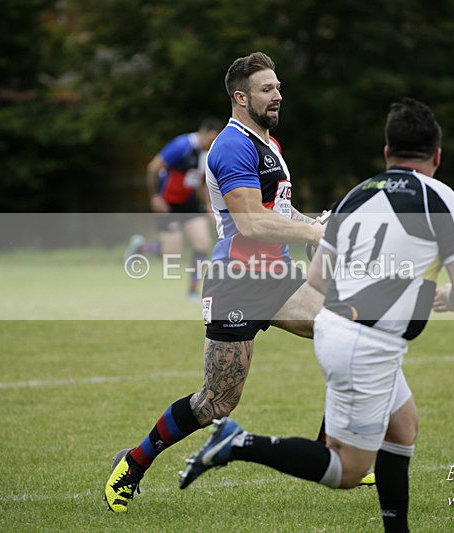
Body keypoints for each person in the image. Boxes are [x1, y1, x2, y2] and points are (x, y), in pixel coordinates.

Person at [178, 97, 454, 533]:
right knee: (346, 470)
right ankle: (237, 442)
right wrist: (444, 297)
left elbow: (319, 277)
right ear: (436, 155)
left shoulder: (359, 195)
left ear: (386, 155)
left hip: (342, 327)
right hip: (365, 341)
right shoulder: (443, 198)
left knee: (403, 426)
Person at [106, 51, 329, 513]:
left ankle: (334, 452)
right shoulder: (231, 146)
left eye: (279, 87)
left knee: (345, 330)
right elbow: (249, 222)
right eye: (268, 89)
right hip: (237, 285)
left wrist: (312, 223)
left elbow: (277, 213)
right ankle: (133, 461)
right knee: (216, 401)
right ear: (241, 97)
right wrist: (314, 233)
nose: (278, 95)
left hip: (276, 276)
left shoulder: (270, 144)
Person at [124, 117, 223, 297]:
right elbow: (153, 168)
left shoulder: (207, 154)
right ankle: (141, 248)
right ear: (206, 133)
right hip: (168, 205)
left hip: (190, 205)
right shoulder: (181, 145)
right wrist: (155, 197)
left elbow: (202, 183)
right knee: (171, 253)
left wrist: (209, 205)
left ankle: (193, 292)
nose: (213, 143)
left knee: (202, 243)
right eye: (213, 138)